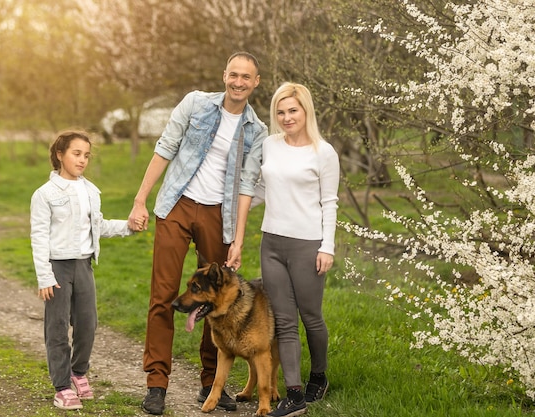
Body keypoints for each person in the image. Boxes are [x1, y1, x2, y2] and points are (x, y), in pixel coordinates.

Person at [127, 51, 267, 416]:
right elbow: (165, 148)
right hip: (177, 203)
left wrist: (237, 239)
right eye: (233, 74)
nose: (238, 82)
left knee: (214, 301)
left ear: (256, 83)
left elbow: (247, 186)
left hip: (217, 216)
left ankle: (211, 383)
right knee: (164, 295)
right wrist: (140, 200)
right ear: (224, 75)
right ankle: (156, 383)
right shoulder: (195, 103)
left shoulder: (257, 131)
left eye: (246, 77)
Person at [30, 130, 136, 410]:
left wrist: (128, 226)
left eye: (86, 155)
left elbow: (97, 226)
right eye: (76, 154)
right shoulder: (45, 194)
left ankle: (78, 373)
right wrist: (45, 276)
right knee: (57, 328)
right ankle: (62, 386)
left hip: (84, 265)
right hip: (58, 268)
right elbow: (39, 236)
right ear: (59, 154)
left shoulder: (90, 190)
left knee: (87, 324)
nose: (82, 160)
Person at [254, 82, 340, 417]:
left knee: (311, 317)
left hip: (308, 246)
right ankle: (294, 395)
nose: (287, 117)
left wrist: (327, 247)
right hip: (271, 243)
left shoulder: (324, 152)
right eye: (281, 111)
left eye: (293, 110)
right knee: (285, 322)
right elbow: (262, 189)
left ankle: (318, 375)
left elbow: (329, 203)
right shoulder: (270, 145)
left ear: (306, 112)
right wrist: (233, 208)